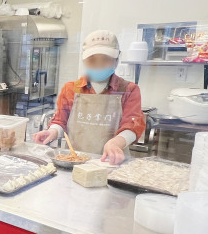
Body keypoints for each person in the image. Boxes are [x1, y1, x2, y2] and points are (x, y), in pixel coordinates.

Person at [33, 30, 145, 164]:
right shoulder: (71, 89)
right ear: (84, 60)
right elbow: (61, 120)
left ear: (116, 59)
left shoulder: (129, 90)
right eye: (92, 60)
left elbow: (132, 125)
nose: (99, 65)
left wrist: (116, 143)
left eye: (106, 59)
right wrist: (53, 131)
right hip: (75, 160)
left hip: (111, 162)